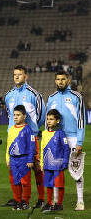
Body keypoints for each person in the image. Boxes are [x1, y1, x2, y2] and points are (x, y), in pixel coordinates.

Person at [4, 65, 45, 208]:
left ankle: (41, 199)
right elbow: (10, 116)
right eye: (14, 74)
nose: (16, 77)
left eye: (19, 74)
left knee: (36, 168)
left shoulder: (35, 95)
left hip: (30, 137)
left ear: (26, 76)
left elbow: (41, 116)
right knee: (13, 168)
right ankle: (18, 199)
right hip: (13, 138)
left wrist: (32, 130)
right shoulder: (8, 95)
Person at [46, 70, 86, 210]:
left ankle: (80, 201)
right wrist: (48, 137)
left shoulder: (77, 97)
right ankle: (56, 201)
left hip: (74, 138)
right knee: (56, 169)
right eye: (58, 79)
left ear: (68, 80)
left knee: (77, 170)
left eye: (63, 79)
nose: (60, 82)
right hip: (56, 138)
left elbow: (81, 120)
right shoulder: (51, 98)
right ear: (55, 81)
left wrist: (79, 141)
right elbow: (48, 120)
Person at [40, 109, 70, 213]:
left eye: (51, 119)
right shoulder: (44, 133)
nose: (48, 121)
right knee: (48, 184)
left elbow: (66, 148)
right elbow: (42, 148)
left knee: (59, 184)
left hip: (58, 164)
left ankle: (59, 204)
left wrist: (65, 162)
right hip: (47, 164)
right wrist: (41, 163)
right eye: (47, 119)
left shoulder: (61, 133)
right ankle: (49, 203)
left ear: (57, 121)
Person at [6, 105, 35, 210]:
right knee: (16, 181)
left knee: (25, 182)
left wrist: (30, 159)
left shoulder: (28, 129)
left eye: (18, 115)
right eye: (14, 115)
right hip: (13, 159)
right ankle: (18, 201)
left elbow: (32, 146)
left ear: (24, 116)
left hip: (24, 159)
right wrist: (7, 158)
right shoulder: (11, 129)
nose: (15, 117)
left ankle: (25, 202)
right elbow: (8, 145)